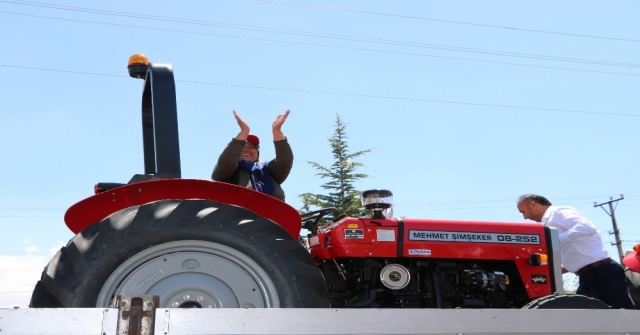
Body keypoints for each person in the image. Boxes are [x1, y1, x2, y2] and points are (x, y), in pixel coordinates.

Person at [516, 193, 635, 309]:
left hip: (603, 273)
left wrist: (551, 240)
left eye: (523, 212)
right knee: (584, 314)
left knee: (622, 313)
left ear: (532, 204)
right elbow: (576, 259)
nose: (525, 217)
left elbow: (587, 228)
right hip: (588, 275)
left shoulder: (559, 212)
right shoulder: (549, 224)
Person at [212, 109, 293, 201]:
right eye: (242, 146)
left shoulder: (268, 170)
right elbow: (227, 161)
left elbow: (285, 160)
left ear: (257, 152)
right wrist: (244, 131)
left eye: (251, 146)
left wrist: (277, 131)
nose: (246, 149)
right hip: (235, 214)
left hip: (272, 214)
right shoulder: (227, 170)